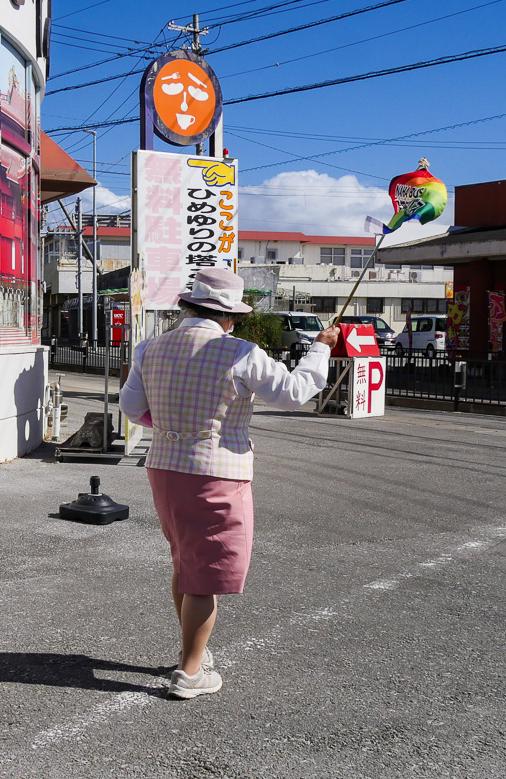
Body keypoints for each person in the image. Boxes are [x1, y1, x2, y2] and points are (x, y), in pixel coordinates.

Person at [119, 268, 340, 699]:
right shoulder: (240, 352)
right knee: (205, 574)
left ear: (188, 306)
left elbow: (131, 407)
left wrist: (170, 427)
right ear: (229, 317)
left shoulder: (150, 348)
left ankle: (193, 651)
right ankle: (189, 672)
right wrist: (318, 348)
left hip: (164, 466)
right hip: (217, 471)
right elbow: (294, 393)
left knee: (185, 560)